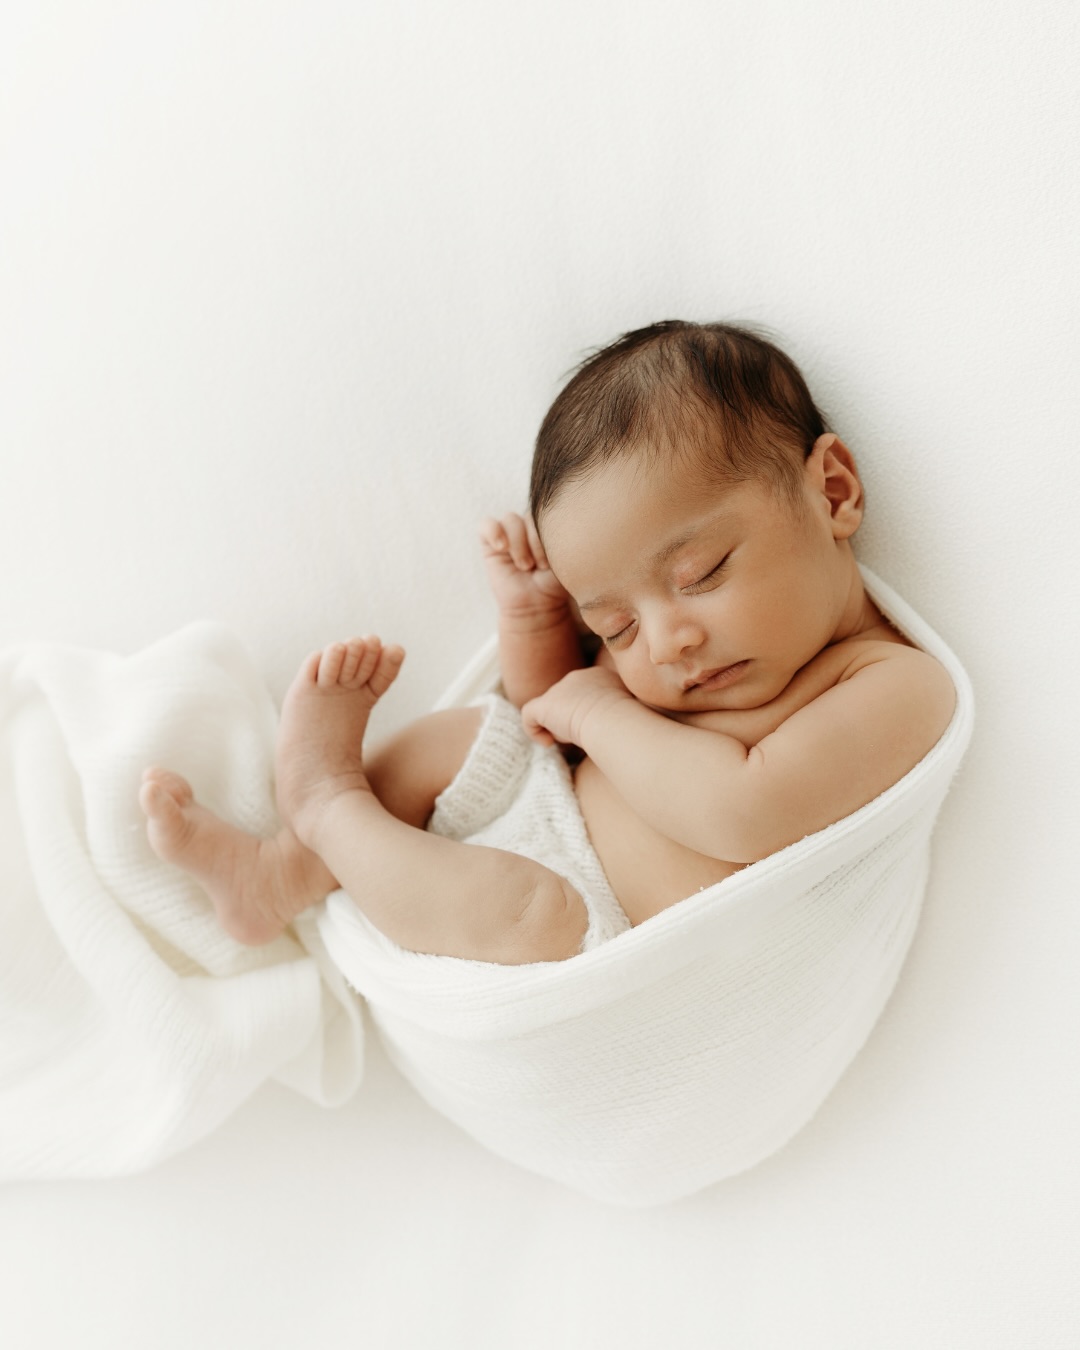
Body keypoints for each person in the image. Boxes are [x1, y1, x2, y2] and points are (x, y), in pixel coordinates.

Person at [139, 321, 956, 964]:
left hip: (596, 923)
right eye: (615, 625)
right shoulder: (648, 675)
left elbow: (742, 811)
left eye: (701, 572)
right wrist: (538, 625)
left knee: (532, 915)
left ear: (834, 492)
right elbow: (545, 719)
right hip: (547, 808)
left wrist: (599, 711)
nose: (666, 642)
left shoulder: (892, 683)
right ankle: (282, 873)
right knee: (465, 740)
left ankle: (327, 809)